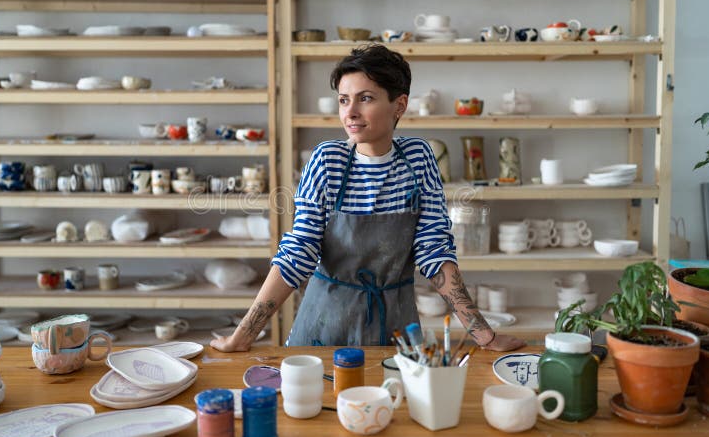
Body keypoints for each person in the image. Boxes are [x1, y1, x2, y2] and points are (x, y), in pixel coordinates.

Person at [211, 44, 525, 352]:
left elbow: (434, 252)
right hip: (325, 327)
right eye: (344, 100)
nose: (350, 112)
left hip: (395, 326)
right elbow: (298, 253)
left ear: (399, 105)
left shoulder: (418, 158)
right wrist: (244, 335)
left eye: (366, 99)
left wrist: (483, 334)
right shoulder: (326, 161)